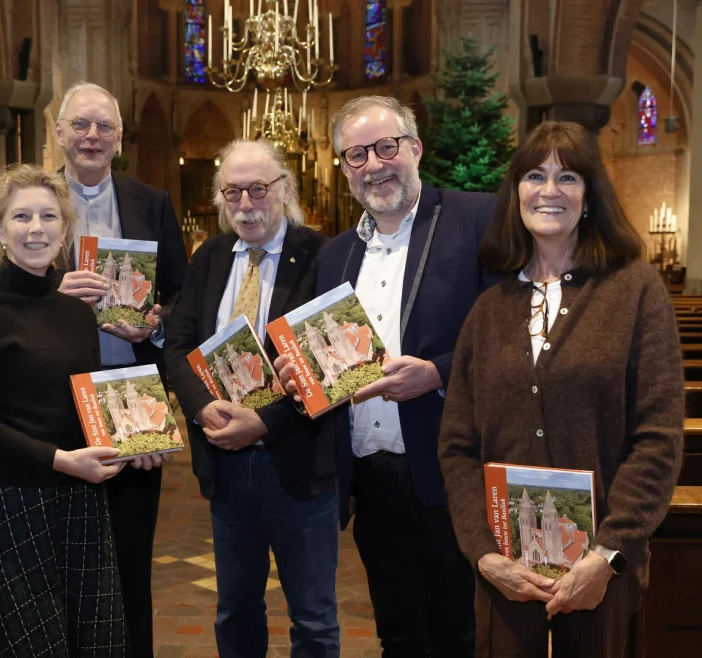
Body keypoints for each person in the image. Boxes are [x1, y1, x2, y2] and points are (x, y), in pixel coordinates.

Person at [437, 121, 684, 657]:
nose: (549, 190)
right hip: (506, 566)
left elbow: (658, 437)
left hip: (602, 569)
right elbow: (457, 445)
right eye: (535, 176)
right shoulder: (489, 309)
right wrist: (482, 553)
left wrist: (609, 554)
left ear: (590, 198)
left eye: (567, 176)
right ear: (516, 194)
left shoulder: (635, 290)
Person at [278, 94, 496, 657]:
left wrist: (438, 374)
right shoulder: (336, 255)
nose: (373, 165)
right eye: (356, 155)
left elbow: (515, 332)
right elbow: (332, 360)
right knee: (397, 633)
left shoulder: (475, 218)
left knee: (459, 634)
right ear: (344, 168)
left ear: (415, 149)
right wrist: (300, 373)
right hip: (371, 477)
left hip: (450, 469)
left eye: (386, 147)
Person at [0, 164, 133, 657]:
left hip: (79, 497)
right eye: (21, 216)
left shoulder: (74, 311)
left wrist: (131, 442)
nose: (36, 228)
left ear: (65, 229)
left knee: (89, 635)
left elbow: (85, 407)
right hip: (11, 498)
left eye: (49, 216)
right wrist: (61, 460)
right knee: (26, 640)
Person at [164, 140, 335, 658]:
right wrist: (199, 407)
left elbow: (333, 364)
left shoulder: (322, 255)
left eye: (258, 189)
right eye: (232, 192)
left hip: (299, 464)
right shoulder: (210, 257)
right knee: (235, 609)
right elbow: (178, 346)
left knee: (313, 618)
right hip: (227, 465)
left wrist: (265, 423)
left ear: (284, 190)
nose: (245, 204)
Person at [52, 81, 189, 656]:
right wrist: (54, 294)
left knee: (131, 555)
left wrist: (153, 327)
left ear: (119, 138)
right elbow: (1, 294)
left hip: (131, 393)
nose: (91, 136)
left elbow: (181, 296)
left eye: (104, 126)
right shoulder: (33, 201)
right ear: (57, 133)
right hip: (53, 400)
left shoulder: (150, 201)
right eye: (80, 125)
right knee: (61, 559)